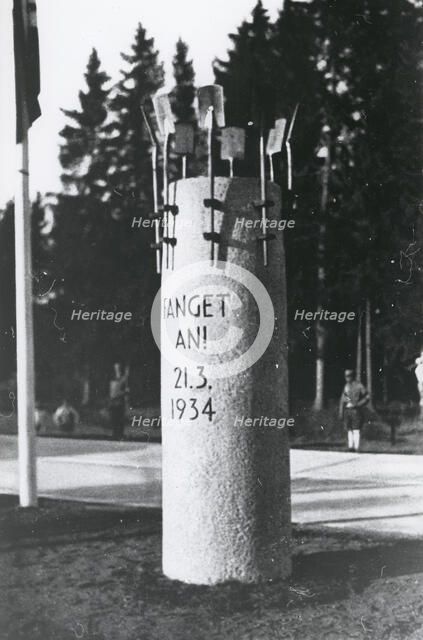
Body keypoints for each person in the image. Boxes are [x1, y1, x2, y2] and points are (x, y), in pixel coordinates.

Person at [339, 369, 369, 452]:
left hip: (356, 410)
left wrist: (358, 404)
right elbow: (343, 399)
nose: (347, 378)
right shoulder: (346, 386)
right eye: (346, 376)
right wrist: (341, 411)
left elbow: (367, 397)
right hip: (347, 410)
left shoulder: (359, 386)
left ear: (353, 376)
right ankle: (350, 447)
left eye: (349, 376)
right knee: (349, 429)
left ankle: (357, 447)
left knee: (356, 429)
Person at [109, 362, 130, 440]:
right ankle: (116, 435)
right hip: (115, 403)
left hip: (120, 403)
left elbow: (125, 378)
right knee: (116, 420)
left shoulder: (120, 380)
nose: (117, 371)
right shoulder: (113, 381)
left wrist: (127, 371)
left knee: (120, 420)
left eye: (118, 369)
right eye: (116, 369)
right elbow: (113, 394)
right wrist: (124, 392)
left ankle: (120, 434)